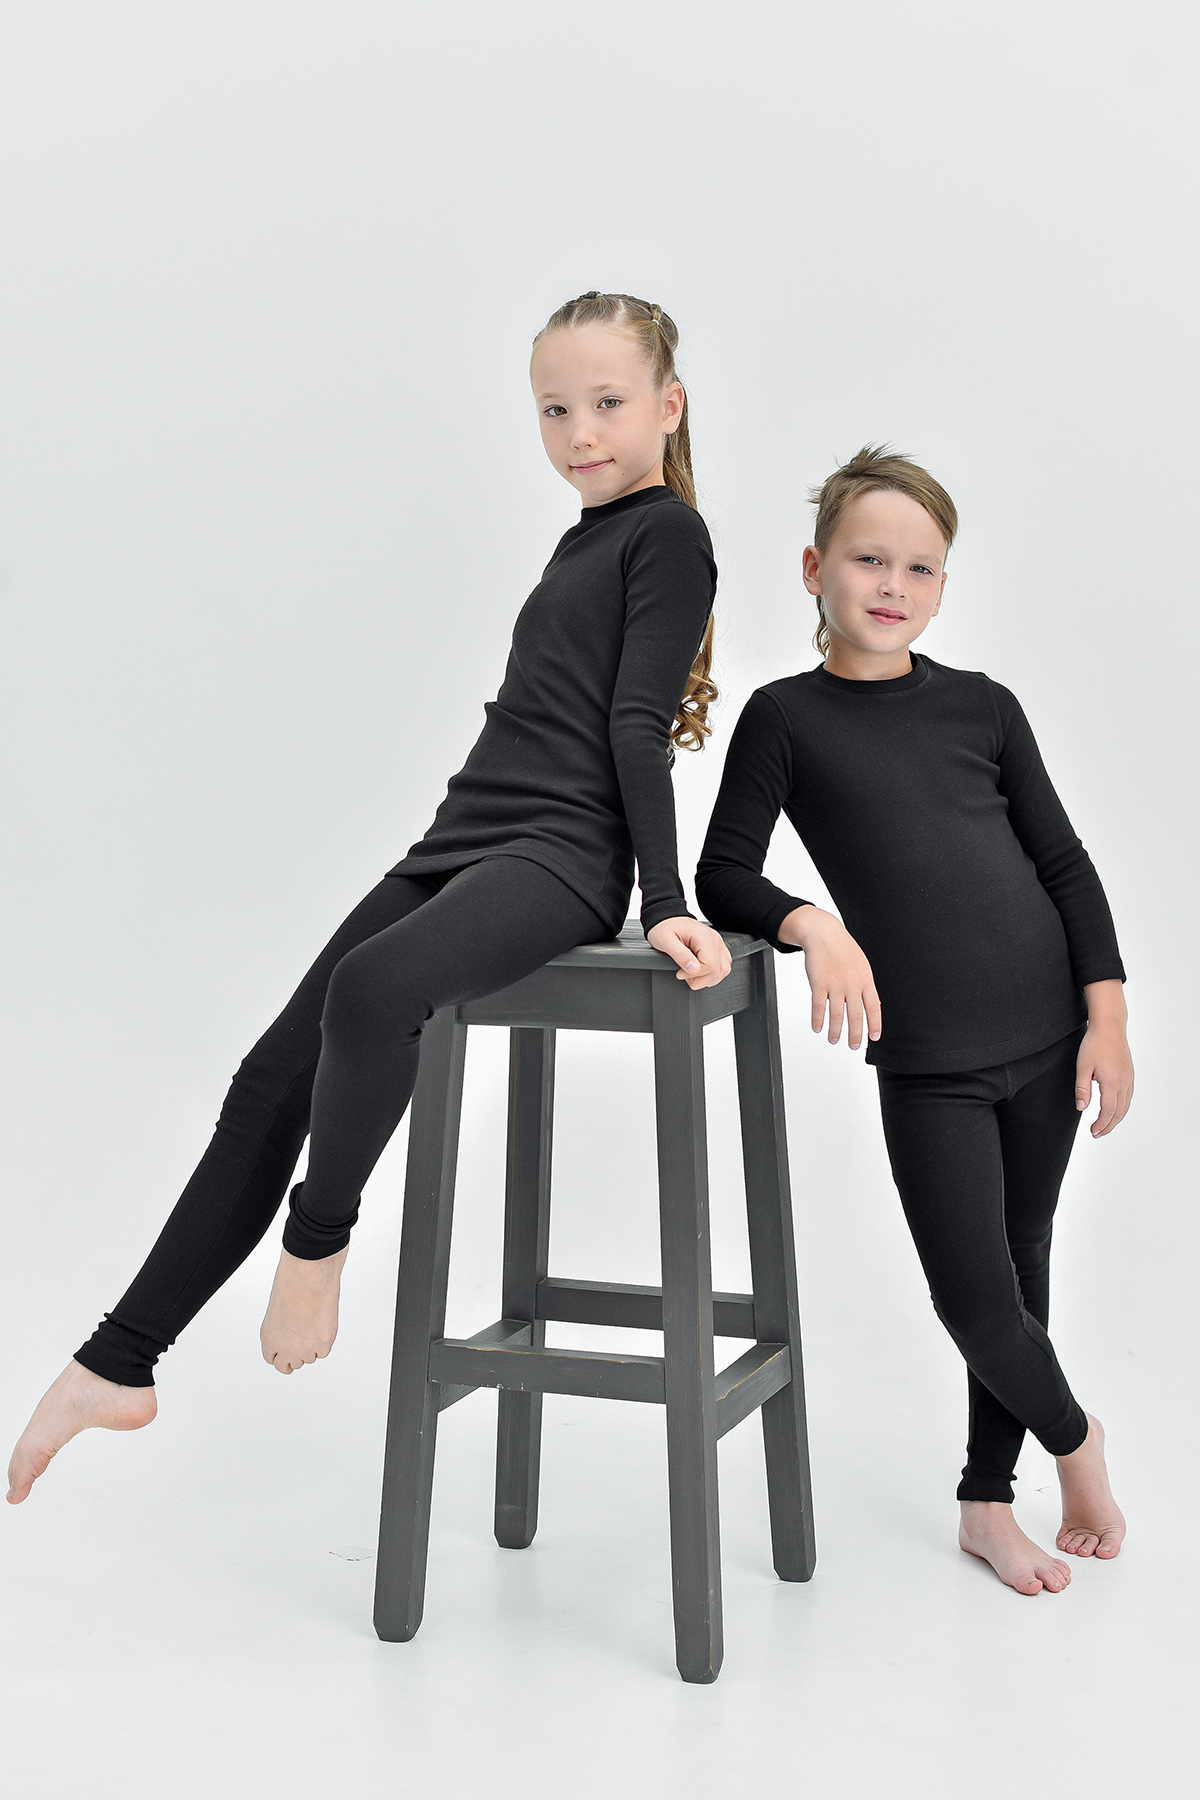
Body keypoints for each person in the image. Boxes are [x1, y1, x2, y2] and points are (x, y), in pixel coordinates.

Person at [7, 290, 732, 1505]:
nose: (578, 433)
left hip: (560, 855)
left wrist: (665, 897)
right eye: (553, 409)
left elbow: (633, 726)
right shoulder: (585, 539)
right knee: (268, 1078)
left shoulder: (669, 536)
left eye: (606, 403)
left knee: (375, 988)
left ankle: (319, 1239)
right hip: (468, 834)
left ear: (669, 405)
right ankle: (117, 1361)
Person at [695, 445, 1131, 1597]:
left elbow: (1066, 867)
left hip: (1049, 1033)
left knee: (1023, 1271)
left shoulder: (985, 708)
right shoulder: (784, 719)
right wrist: (812, 925)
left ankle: (987, 1501)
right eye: (868, 559)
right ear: (815, 569)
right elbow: (722, 872)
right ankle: (1077, 1441)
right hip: (932, 1063)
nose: (893, 585)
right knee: (977, 1302)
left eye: (920, 568)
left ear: (942, 587)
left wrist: (1108, 1018)